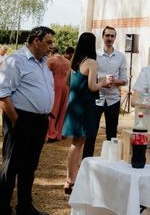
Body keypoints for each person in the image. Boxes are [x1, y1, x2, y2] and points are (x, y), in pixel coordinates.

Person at [0, 26, 55, 215]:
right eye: (49, 42)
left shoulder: (43, 62)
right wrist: (16, 120)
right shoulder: (16, 60)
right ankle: (3, 208)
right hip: (20, 119)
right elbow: (3, 94)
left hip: (40, 121)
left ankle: (25, 207)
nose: (51, 47)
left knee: (29, 166)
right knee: (11, 165)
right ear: (36, 41)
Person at [62, 32, 109, 195]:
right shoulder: (92, 62)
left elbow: (67, 82)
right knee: (78, 144)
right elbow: (92, 87)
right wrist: (103, 82)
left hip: (74, 104)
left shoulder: (74, 61)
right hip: (85, 106)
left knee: (75, 144)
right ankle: (72, 180)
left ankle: (69, 180)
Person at [82, 26, 128, 159]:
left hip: (113, 99)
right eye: (107, 35)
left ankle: (110, 162)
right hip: (96, 98)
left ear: (115, 38)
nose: (109, 38)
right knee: (91, 134)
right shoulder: (94, 55)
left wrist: (114, 81)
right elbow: (87, 76)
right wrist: (101, 81)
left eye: (112, 36)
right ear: (102, 37)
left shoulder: (121, 57)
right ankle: (86, 161)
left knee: (112, 134)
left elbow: (125, 81)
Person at [46, 46, 71, 142]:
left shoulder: (50, 60)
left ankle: (51, 133)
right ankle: (61, 132)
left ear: (51, 53)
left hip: (55, 83)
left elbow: (47, 75)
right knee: (63, 109)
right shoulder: (67, 61)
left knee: (54, 108)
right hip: (66, 84)